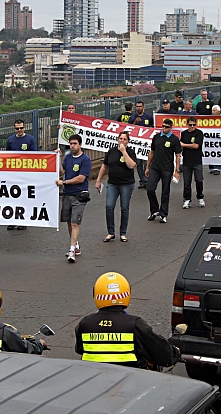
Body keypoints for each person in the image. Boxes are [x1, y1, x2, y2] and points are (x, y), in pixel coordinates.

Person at [75, 272, 180, 368]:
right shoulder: (135, 325)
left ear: (96, 294)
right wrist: (175, 353)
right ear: (127, 293)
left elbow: (80, 349)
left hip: (93, 380)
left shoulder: (84, 324)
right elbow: (162, 354)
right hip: (128, 382)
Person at [96, 131, 137, 243]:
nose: (122, 141)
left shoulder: (130, 152)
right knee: (109, 206)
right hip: (113, 183)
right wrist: (98, 180)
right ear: (117, 139)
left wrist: (124, 152)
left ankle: (123, 233)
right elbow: (105, 166)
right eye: (120, 138)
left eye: (124, 139)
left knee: (124, 208)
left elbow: (131, 165)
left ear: (128, 141)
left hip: (126, 184)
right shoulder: (111, 151)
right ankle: (111, 232)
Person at [56, 134, 91, 263]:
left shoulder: (85, 159)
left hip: (79, 195)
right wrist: (58, 158)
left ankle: (71, 250)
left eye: (75, 143)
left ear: (80, 144)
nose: (72, 146)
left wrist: (64, 183)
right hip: (67, 194)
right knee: (69, 222)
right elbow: (61, 172)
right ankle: (75, 246)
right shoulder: (68, 158)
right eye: (71, 144)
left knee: (75, 222)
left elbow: (81, 178)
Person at [145, 119, 182, 224]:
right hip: (155, 167)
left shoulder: (174, 139)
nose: (164, 128)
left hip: (167, 168)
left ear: (171, 128)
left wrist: (176, 170)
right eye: (163, 126)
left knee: (165, 192)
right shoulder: (157, 137)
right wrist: (148, 167)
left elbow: (178, 155)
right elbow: (152, 152)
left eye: (166, 127)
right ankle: (154, 210)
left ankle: (163, 214)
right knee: (150, 189)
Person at [6, 119, 38, 230]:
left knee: (24, 197)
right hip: (13, 174)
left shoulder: (30, 139)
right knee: (13, 197)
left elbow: (34, 156)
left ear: (25, 128)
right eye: (17, 128)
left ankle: (23, 220)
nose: (19, 130)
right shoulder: (10, 140)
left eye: (21, 128)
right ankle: (13, 220)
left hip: (26, 174)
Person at [180, 116, 205, 208]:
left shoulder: (199, 133)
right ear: (187, 125)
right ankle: (187, 199)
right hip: (187, 161)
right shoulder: (183, 134)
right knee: (187, 182)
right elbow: (180, 147)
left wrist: (184, 144)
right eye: (190, 125)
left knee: (199, 180)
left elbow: (196, 146)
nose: (192, 126)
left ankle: (200, 197)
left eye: (194, 125)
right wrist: (181, 146)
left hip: (197, 161)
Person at [129, 101, 153, 188]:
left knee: (147, 163)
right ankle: (142, 180)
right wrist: (135, 122)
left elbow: (153, 127)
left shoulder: (149, 116)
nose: (138, 108)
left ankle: (147, 180)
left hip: (146, 145)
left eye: (140, 106)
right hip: (137, 146)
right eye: (137, 106)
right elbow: (129, 129)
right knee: (139, 164)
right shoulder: (132, 117)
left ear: (143, 107)